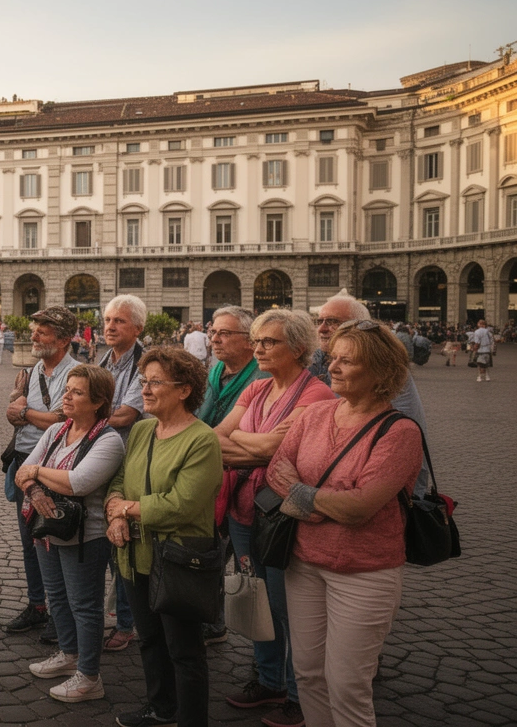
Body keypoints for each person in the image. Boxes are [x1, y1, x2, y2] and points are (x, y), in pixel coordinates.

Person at [265, 321, 423, 727]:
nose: (331, 367)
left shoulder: (400, 432)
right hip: (303, 562)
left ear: (381, 371)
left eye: (346, 360)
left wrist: (302, 499)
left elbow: (359, 508)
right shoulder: (315, 414)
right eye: (332, 357)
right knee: (309, 674)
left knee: (347, 684)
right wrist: (321, 504)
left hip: (365, 572)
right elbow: (276, 469)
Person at [214, 310, 335, 727]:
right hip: (244, 509)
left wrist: (247, 441)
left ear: (299, 348)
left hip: (285, 515)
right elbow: (217, 439)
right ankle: (269, 680)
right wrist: (257, 444)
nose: (259, 348)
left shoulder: (317, 395)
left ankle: (303, 696)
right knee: (256, 597)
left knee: (291, 608)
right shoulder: (257, 388)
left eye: (269, 342)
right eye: (257, 340)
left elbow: (274, 451)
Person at [104, 347, 223, 727]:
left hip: (179, 558)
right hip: (136, 553)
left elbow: (182, 504)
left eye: (156, 383)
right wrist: (116, 507)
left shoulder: (202, 440)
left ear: (185, 389)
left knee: (185, 650)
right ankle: (160, 707)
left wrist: (127, 509)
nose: (146, 390)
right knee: (150, 639)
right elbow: (119, 481)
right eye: (144, 382)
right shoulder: (140, 430)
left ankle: (191, 720)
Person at [15, 364, 125, 704]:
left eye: (77, 392)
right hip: (47, 528)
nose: (67, 396)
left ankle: (90, 676)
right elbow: (22, 472)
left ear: (98, 402)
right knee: (57, 597)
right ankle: (69, 654)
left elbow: (78, 482)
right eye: (67, 389)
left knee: (85, 606)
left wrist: (36, 471)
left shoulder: (109, 440)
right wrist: (34, 489)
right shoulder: (57, 431)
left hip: (85, 538)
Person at [309, 294, 434, 499]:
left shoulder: (386, 369)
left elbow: (398, 440)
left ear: (359, 326)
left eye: (331, 322)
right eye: (319, 321)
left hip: (391, 495)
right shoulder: (321, 359)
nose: (321, 329)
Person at [3, 307, 79, 641]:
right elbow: (11, 413)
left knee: (56, 538)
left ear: (63, 339)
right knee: (30, 539)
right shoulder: (29, 372)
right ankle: (37, 605)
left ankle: (63, 614)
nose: (33, 335)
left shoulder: (78, 375)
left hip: (58, 465)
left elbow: (66, 421)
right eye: (35, 329)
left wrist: (27, 412)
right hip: (24, 460)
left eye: (42, 331)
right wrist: (33, 415)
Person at [194, 306, 268, 645]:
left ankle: (262, 640)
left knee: (244, 563)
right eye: (213, 332)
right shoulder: (216, 370)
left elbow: (252, 434)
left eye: (224, 333)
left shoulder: (261, 377)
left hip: (243, 480)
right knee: (209, 554)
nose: (215, 339)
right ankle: (213, 621)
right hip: (210, 471)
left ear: (249, 341)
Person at [98, 294, 148, 653]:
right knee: (109, 541)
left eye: (119, 321)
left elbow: (124, 416)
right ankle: (120, 613)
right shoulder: (104, 360)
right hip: (105, 456)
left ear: (138, 328)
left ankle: (130, 623)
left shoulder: (144, 364)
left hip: (130, 461)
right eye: (107, 321)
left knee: (126, 542)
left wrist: (81, 417)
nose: (110, 327)